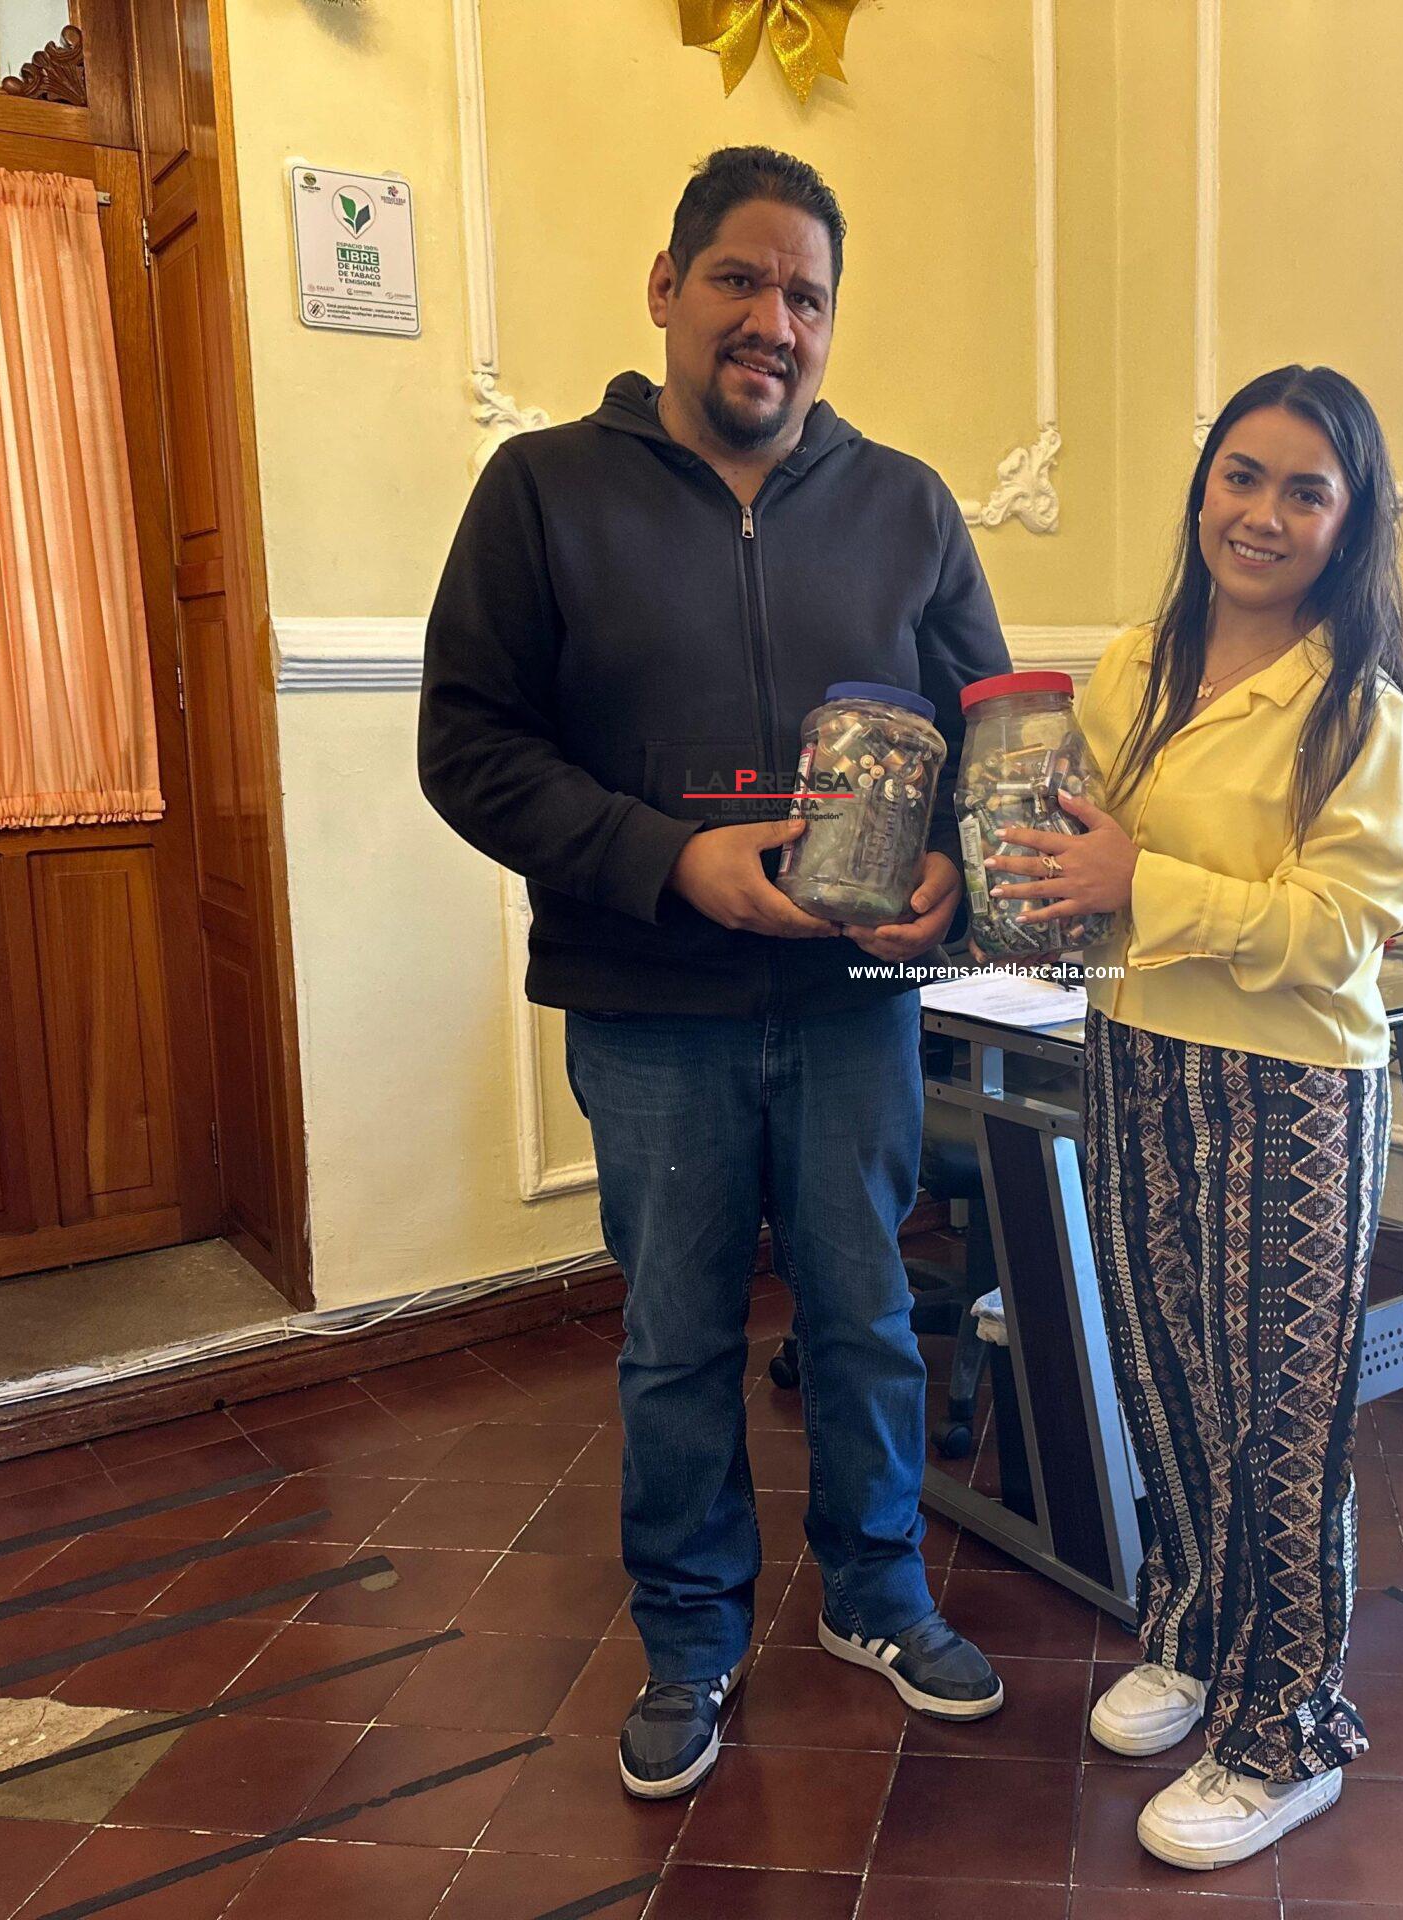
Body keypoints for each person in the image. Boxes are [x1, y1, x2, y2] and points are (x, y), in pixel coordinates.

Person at [419, 146, 1010, 1803]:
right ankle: (689, 1634)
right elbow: (469, 747)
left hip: (851, 1010)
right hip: (650, 1004)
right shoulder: (541, 492)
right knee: (676, 1333)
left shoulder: (908, 506)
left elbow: (984, 738)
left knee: (867, 1314)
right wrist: (670, 862)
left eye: (806, 295)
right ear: (667, 287)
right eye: (740, 280)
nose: (773, 321)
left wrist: (953, 864)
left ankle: (877, 1594)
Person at [986, 365, 1403, 1869]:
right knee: (1165, 1376)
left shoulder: (1363, 713)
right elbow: (1070, 844)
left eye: (1306, 491)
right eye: (1242, 475)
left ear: (1349, 523)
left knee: (1280, 1424)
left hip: (1292, 1090)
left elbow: (1340, 931)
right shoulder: (1133, 668)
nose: (1262, 513)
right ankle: (1191, 1639)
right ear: (1203, 490)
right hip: (1136, 1053)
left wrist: (1142, 883)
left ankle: (1286, 1730)